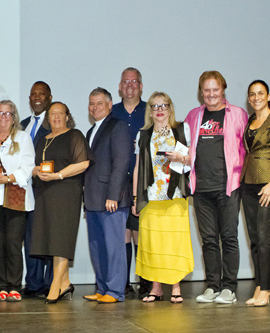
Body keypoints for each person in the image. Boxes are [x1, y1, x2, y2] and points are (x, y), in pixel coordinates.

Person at [185, 71, 248, 304]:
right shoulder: (193, 116)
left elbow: (249, 147)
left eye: (215, 89)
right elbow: (185, 148)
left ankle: (229, 288)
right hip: (201, 189)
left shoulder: (238, 114)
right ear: (201, 92)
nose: (211, 94)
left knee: (229, 237)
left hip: (228, 187)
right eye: (206, 90)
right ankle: (213, 286)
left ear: (223, 90)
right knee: (209, 240)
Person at [132, 92, 194, 303]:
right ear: (149, 111)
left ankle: (176, 287)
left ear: (170, 108)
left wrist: (181, 157)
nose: (159, 110)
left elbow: (192, 160)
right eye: (154, 106)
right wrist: (135, 198)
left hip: (175, 195)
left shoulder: (182, 129)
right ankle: (156, 288)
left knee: (174, 242)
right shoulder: (143, 135)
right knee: (154, 244)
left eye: (163, 105)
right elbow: (138, 167)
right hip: (151, 197)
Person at [31, 101, 90, 304]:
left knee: (62, 239)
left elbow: (83, 163)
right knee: (51, 239)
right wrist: (36, 171)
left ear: (67, 116)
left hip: (66, 193)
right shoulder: (43, 140)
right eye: (52, 113)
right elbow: (36, 165)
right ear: (48, 118)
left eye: (60, 113)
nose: (56, 116)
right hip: (45, 194)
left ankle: (55, 285)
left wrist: (58, 175)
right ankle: (65, 283)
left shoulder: (75, 135)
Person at [81, 88, 132, 304]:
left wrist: (114, 195)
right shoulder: (90, 131)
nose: (95, 108)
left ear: (110, 105)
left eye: (99, 103)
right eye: (91, 103)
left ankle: (115, 291)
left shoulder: (118, 126)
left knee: (114, 247)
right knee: (97, 247)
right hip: (93, 199)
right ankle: (102, 288)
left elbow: (121, 163)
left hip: (111, 200)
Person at [240, 80, 270, 307]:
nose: (256, 97)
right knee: (255, 239)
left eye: (260, 93)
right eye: (252, 94)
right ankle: (259, 285)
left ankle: (266, 289)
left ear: (268, 96)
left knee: (265, 238)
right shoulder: (250, 121)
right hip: (247, 183)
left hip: (267, 185)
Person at [0, 100, 35, 302]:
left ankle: (14, 287)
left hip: (16, 197)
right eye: (0, 113)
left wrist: (7, 178)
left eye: (8, 114)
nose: (3, 117)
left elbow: (28, 167)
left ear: (14, 118)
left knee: (13, 244)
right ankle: (1, 287)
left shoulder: (23, 138)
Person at [111, 67, 148, 298]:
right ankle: (122, 283)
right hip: (118, 180)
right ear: (120, 86)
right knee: (121, 232)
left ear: (141, 86)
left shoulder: (150, 111)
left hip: (143, 180)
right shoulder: (112, 112)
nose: (130, 85)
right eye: (126, 81)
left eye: (134, 81)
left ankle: (145, 283)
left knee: (140, 232)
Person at [18, 81, 53, 298]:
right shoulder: (22, 125)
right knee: (30, 238)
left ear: (49, 98)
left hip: (48, 189)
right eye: (33, 94)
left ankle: (51, 284)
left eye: (41, 94)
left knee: (49, 238)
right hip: (24, 190)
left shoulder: (55, 122)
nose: (37, 97)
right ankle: (33, 283)